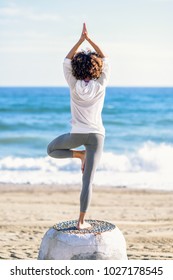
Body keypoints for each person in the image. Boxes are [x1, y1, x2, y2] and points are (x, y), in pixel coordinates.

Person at [47, 23, 110, 229]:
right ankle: (81, 221)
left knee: (51, 150)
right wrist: (90, 40)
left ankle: (78, 155)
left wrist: (80, 40)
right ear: (96, 67)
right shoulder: (101, 84)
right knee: (87, 182)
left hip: (77, 135)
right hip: (97, 136)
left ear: (77, 68)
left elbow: (66, 60)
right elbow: (105, 57)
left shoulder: (73, 84)